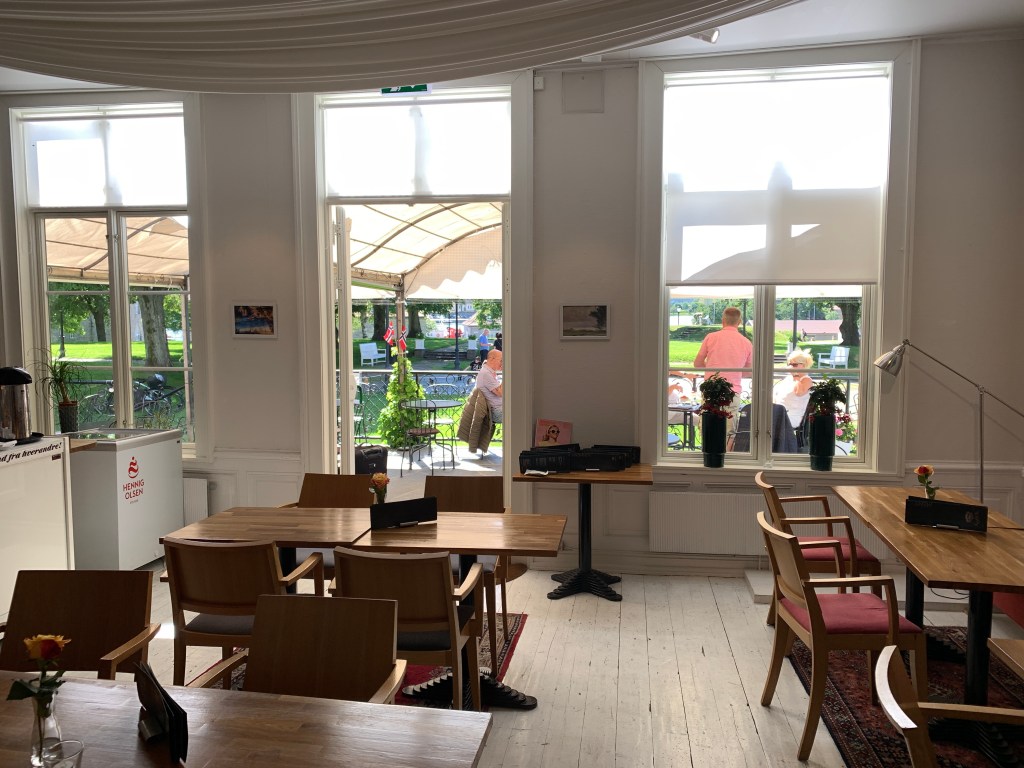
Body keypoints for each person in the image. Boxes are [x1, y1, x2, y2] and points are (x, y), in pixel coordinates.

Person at [694, 307, 753, 392]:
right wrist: (734, 374)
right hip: (733, 390)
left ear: (723, 321)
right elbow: (748, 371)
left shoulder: (710, 337)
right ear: (739, 322)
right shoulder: (747, 343)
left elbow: (698, 363)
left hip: (710, 388)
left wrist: (713, 371)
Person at [773, 348, 814, 433]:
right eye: (790, 364)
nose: (791, 367)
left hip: (793, 415)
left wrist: (796, 376)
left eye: (795, 365)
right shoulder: (788, 378)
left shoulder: (806, 380)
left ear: (804, 365)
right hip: (779, 412)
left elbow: (799, 393)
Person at [474, 349, 503, 423]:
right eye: (501, 360)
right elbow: (501, 393)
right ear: (492, 359)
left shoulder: (488, 372)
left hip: (500, 408)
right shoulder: (486, 373)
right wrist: (508, 373)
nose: (502, 363)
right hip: (497, 412)